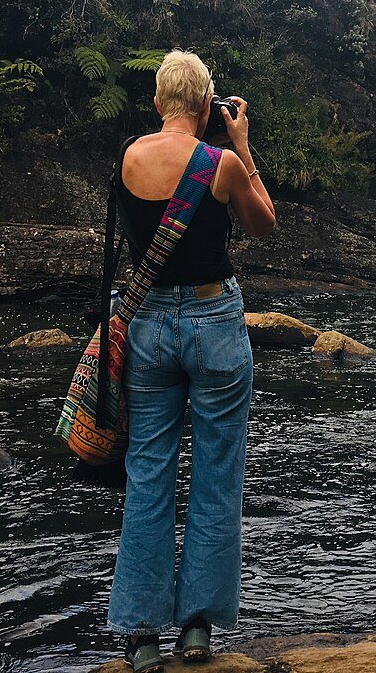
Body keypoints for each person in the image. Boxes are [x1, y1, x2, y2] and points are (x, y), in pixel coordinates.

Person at [107, 49, 276, 672]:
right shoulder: (222, 163)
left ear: (157, 104)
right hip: (213, 325)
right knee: (216, 474)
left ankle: (142, 635)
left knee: (149, 471)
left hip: (147, 324)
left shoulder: (129, 157)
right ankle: (198, 630)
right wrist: (242, 146)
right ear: (208, 107)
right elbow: (263, 225)